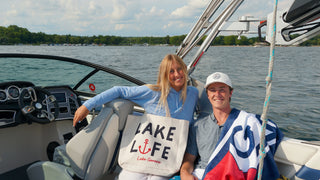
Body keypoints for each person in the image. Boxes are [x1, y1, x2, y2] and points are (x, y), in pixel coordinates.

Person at [73, 54, 199, 180]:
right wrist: (87, 105)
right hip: (144, 153)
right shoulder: (153, 92)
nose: (177, 74)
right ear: (164, 75)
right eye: (171, 71)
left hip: (169, 157)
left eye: (179, 69)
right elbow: (119, 90)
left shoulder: (193, 93)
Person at [179, 72, 283, 180]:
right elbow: (189, 160)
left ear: (230, 93)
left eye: (222, 89)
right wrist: (185, 173)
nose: (217, 94)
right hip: (201, 174)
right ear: (208, 94)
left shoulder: (246, 123)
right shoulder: (198, 126)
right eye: (212, 90)